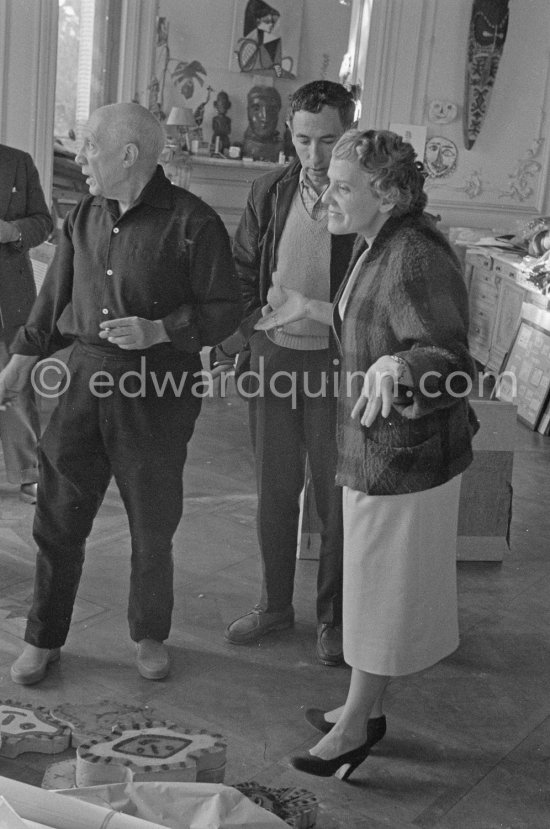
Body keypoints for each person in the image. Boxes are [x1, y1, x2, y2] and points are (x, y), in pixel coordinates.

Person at [256, 129, 479, 779]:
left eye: (345, 185)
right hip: (377, 447)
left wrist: (401, 366)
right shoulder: (376, 241)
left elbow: (454, 364)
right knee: (377, 587)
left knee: (381, 592)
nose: (328, 194)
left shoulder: (415, 253)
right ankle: (365, 707)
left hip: (406, 459)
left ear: (385, 195)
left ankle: (355, 725)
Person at [1, 102, 241, 686]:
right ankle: (44, 637)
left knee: (151, 520)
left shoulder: (194, 222)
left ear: (128, 154)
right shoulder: (84, 214)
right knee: (58, 515)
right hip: (84, 380)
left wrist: (161, 331)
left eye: (89, 145)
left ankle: (150, 634)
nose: (79, 156)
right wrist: (15, 370)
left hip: (157, 386)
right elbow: (51, 302)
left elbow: (226, 312)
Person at [224, 81, 357, 667]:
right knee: (275, 492)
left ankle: (334, 620)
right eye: (303, 140)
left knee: (334, 499)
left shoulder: (362, 197)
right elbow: (241, 273)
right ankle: (275, 604)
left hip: (336, 364)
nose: (314, 155)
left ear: (347, 134)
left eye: (327, 140)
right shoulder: (268, 190)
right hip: (274, 359)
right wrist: (250, 334)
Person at [0, 144, 53, 503]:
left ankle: (28, 473)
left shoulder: (18, 163)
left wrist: (12, 231)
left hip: (9, 297)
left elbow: (43, 224)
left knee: (16, 379)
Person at [242, 86, 283, 162]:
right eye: (256, 109)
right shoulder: (244, 146)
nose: (265, 118)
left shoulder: (281, 147)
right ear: (248, 112)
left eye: (272, 109)